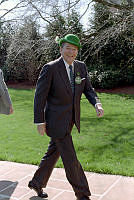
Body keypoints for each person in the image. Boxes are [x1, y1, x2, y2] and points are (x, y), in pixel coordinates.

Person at [28, 34, 104, 200]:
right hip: (55, 121)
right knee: (70, 159)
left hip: (71, 120)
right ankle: (82, 194)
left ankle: (37, 182)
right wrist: (40, 121)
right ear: (61, 49)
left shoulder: (80, 67)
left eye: (74, 49)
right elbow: (39, 96)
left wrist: (96, 103)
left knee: (53, 153)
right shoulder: (51, 68)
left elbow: (88, 90)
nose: (71, 52)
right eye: (68, 48)